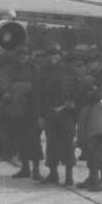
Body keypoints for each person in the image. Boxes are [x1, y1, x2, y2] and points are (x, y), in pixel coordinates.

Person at [36, 44, 78, 185]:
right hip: (50, 113)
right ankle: (53, 174)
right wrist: (41, 115)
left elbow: (78, 90)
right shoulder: (44, 72)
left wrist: (72, 103)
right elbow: (40, 95)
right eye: (51, 54)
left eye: (56, 54)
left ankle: (69, 176)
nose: (53, 57)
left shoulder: (70, 70)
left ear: (60, 56)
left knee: (68, 144)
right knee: (51, 145)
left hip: (66, 114)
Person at [2, 45, 43, 180]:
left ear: (29, 56)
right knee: (20, 139)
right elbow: (6, 84)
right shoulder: (11, 69)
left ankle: (36, 169)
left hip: (32, 108)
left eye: (25, 54)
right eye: (20, 55)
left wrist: (19, 87)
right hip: (17, 109)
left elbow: (38, 87)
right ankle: (25, 168)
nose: (23, 57)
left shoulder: (35, 69)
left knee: (34, 140)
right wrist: (11, 91)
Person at [75, 49, 102, 192]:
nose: (89, 66)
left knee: (100, 146)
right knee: (89, 146)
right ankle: (93, 178)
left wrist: (88, 93)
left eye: (92, 63)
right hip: (91, 113)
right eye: (88, 63)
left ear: (99, 63)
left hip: (100, 116)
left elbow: (100, 95)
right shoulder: (94, 75)